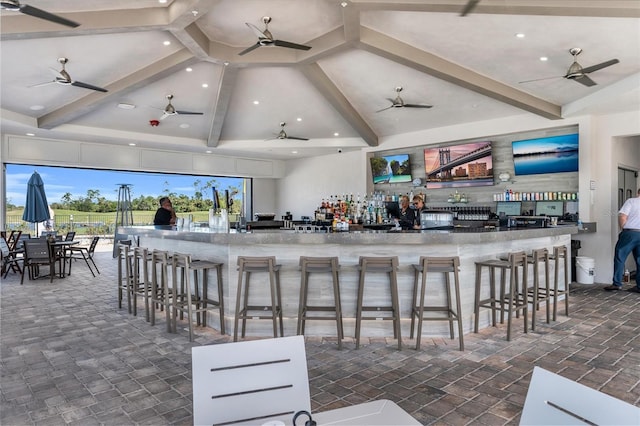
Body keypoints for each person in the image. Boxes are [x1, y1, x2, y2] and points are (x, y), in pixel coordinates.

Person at [604, 188, 640, 292]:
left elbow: (623, 216)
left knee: (620, 257)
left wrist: (623, 228)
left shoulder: (631, 201)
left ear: (638, 192)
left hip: (630, 233)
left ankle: (617, 283)